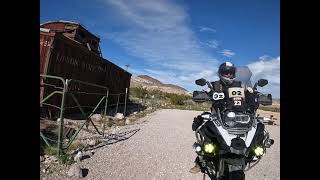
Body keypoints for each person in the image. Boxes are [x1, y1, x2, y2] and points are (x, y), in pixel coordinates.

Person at [189, 62, 264, 174]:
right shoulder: (215, 85)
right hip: (218, 115)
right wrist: (203, 94)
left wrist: (256, 95)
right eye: (226, 72)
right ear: (221, 73)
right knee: (203, 126)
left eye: (231, 73)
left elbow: (249, 94)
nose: (229, 75)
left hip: (238, 116)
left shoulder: (240, 85)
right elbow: (207, 92)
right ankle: (200, 161)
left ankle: (253, 151)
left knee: (259, 126)